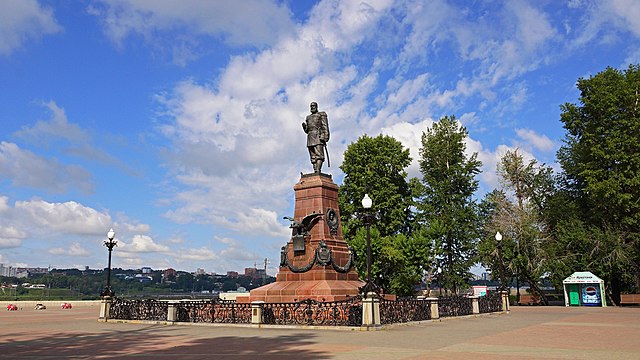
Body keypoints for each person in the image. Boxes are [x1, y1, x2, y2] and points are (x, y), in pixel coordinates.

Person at [302, 102, 330, 173]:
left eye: (314, 106)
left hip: (318, 136)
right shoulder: (308, 117)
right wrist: (304, 127)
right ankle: (315, 170)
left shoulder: (321, 115)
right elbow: (307, 130)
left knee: (319, 155)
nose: (312, 107)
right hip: (310, 137)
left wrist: (325, 136)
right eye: (311, 106)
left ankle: (318, 170)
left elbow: (325, 126)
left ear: (317, 106)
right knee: (312, 156)